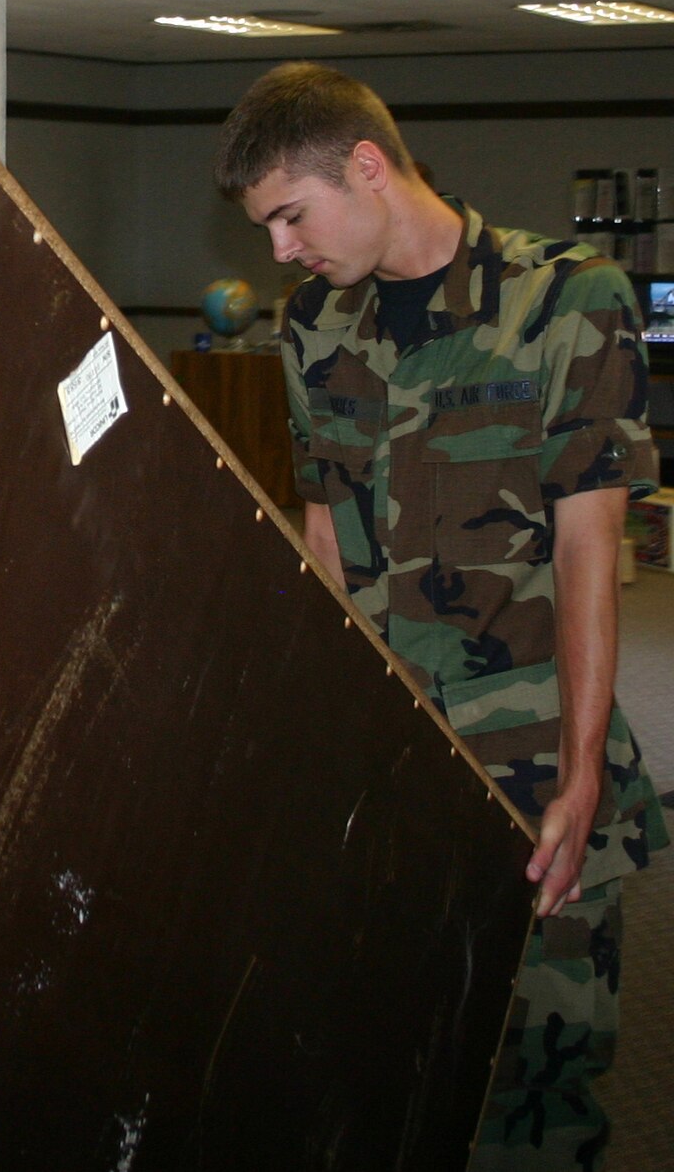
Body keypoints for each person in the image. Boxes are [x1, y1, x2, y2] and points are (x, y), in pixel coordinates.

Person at [216, 63, 665, 1171]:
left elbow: (586, 543)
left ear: (364, 167)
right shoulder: (314, 321)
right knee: (393, 1061)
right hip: (389, 762)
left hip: (528, 762)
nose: (279, 248)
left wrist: (577, 771)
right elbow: (323, 530)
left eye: (288, 214)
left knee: (539, 1088)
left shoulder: (568, 296)